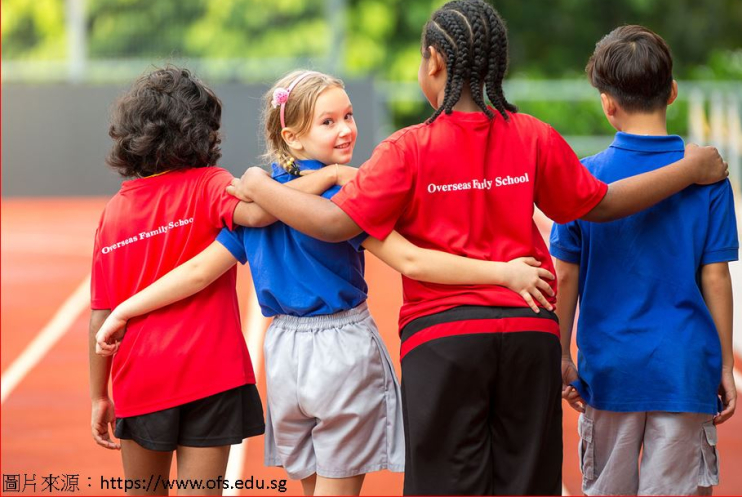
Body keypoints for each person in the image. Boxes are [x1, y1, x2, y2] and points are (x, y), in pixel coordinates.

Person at [223, 0, 728, 496]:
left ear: (435, 63)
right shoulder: (532, 135)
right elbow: (601, 204)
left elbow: (335, 223)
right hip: (529, 336)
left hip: (443, 344)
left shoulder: (407, 148)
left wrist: (260, 185)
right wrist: (689, 168)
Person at [96, 69, 555, 496]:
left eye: (349, 116)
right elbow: (411, 260)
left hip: (284, 355)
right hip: (341, 347)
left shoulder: (252, 199)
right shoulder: (343, 198)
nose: (346, 129)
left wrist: (124, 309)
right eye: (329, 121)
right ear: (291, 135)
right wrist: (503, 271)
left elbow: (200, 270)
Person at [89, 66, 349, 496]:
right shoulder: (211, 186)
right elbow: (265, 210)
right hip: (212, 376)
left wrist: (99, 394)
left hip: (141, 378)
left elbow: (101, 313)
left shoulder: (113, 213)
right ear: (201, 129)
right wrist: (332, 176)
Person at [551, 25, 738, 496]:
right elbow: (715, 275)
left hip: (609, 368)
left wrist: (559, 354)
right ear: (672, 92)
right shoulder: (708, 175)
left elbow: (564, 275)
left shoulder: (585, 177)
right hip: (684, 366)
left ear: (607, 104)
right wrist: (726, 365)